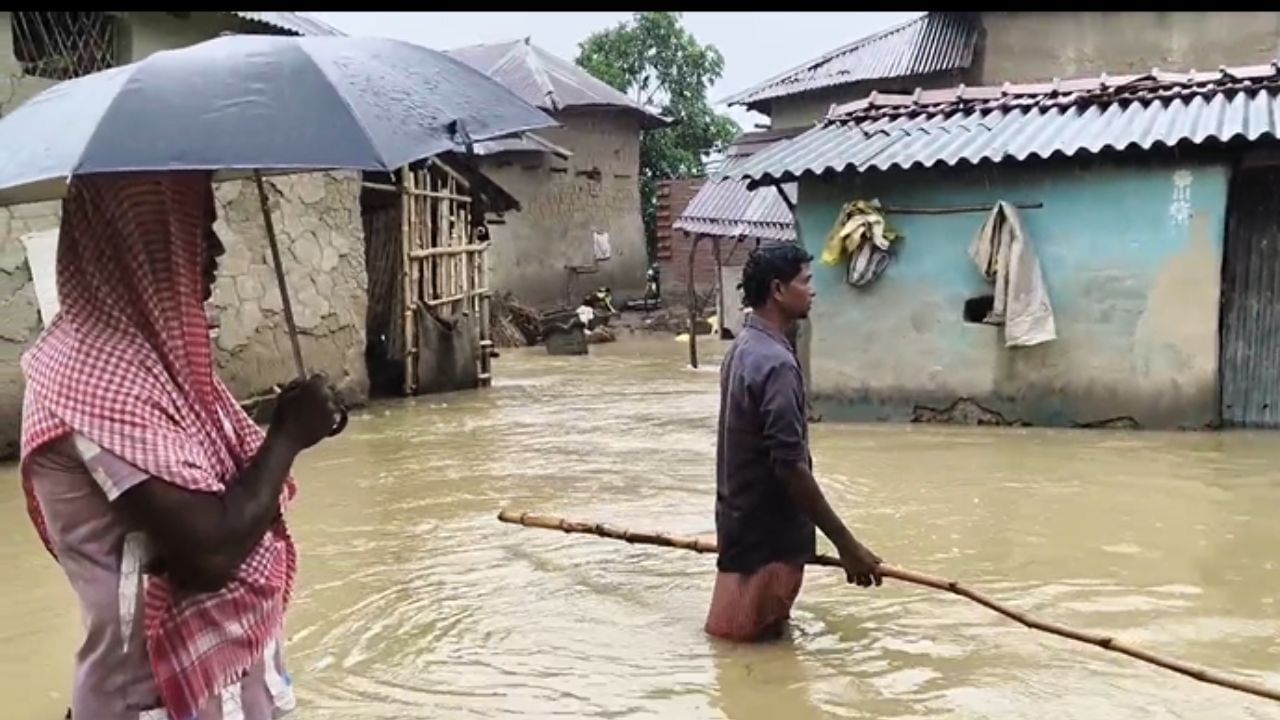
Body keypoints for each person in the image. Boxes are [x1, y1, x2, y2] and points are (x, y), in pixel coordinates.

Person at [20, 172, 342, 719]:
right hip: (156, 702)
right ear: (144, 240)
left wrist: (292, 423)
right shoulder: (93, 378)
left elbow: (220, 487)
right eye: (199, 229)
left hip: (239, 687)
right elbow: (210, 553)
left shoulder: (152, 362)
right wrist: (286, 437)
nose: (217, 249)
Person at [705, 243, 883, 643]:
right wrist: (846, 544)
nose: (813, 291)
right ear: (778, 290)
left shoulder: (742, 350)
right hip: (769, 539)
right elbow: (789, 465)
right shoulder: (777, 364)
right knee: (746, 648)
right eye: (806, 281)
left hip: (738, 525)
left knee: (751, 652)